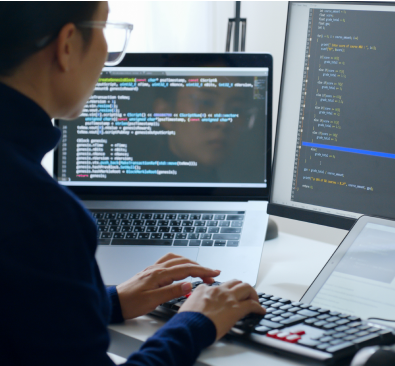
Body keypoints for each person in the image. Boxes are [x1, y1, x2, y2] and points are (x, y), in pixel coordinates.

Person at [0, 2, 265, 366]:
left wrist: (106, 301)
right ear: (67, 45)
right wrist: (196, 322)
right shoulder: (43, 215)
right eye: (104, 28)